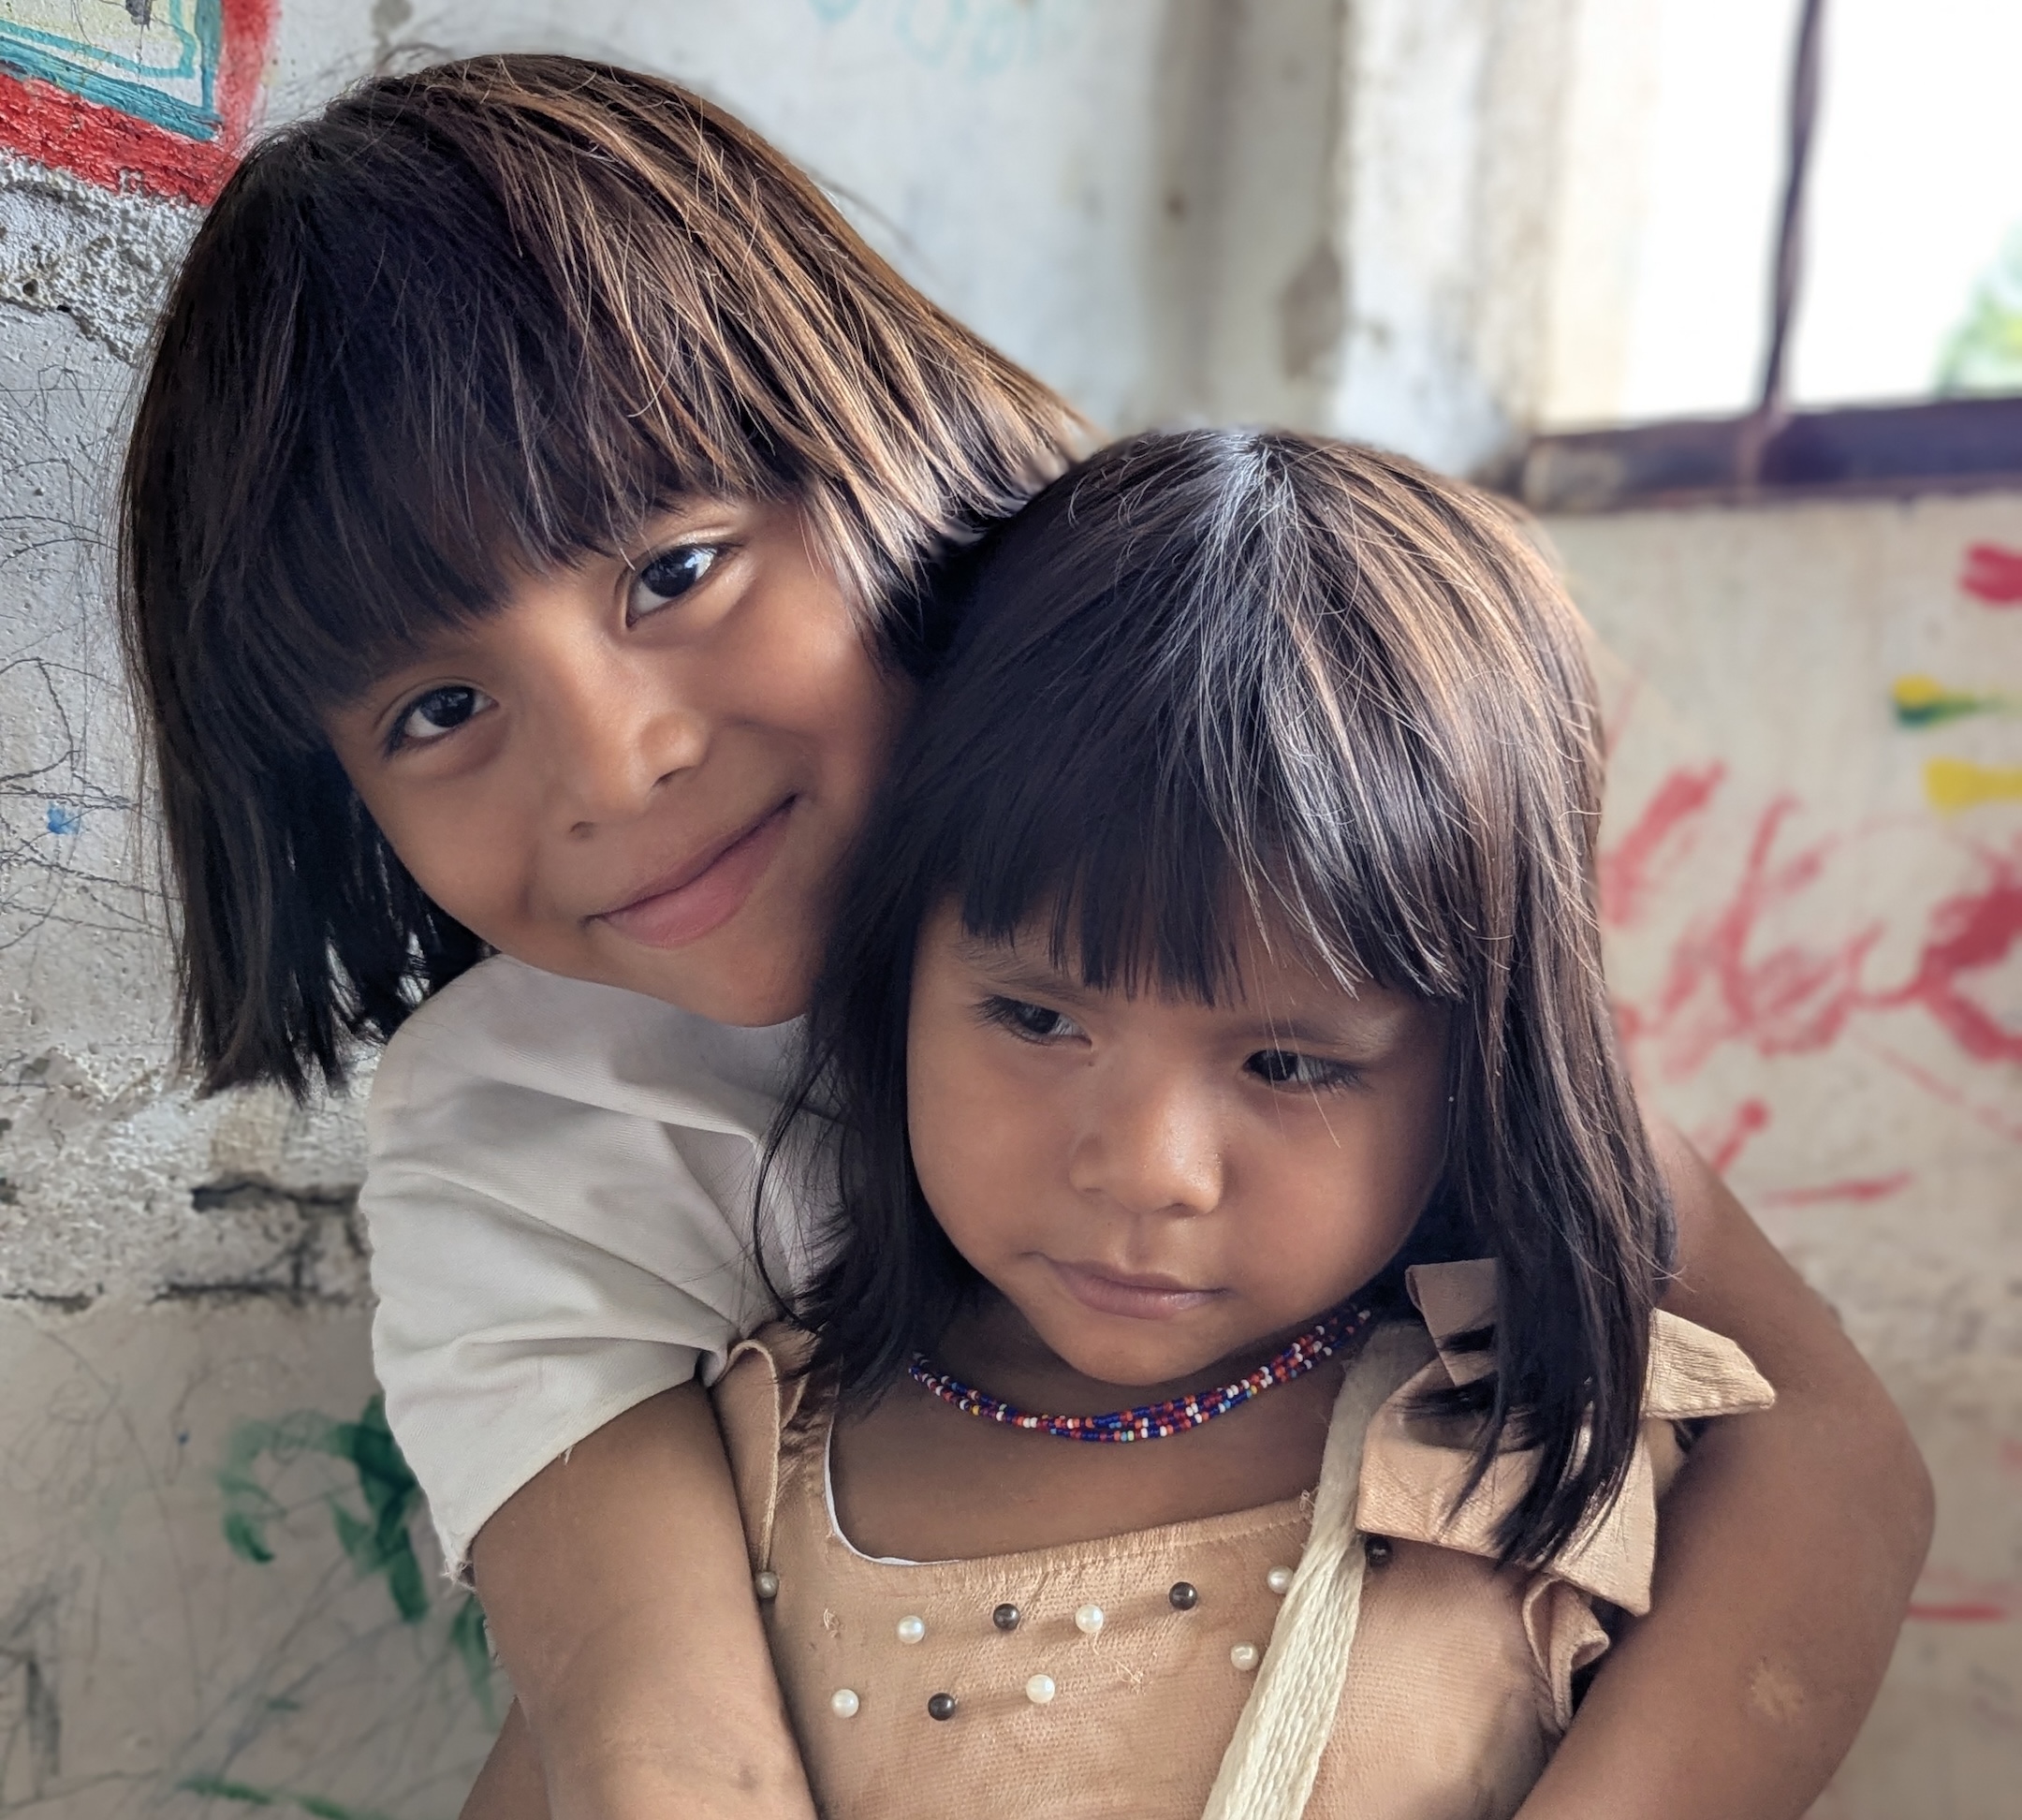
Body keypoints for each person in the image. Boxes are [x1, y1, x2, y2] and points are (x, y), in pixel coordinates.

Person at [116, 53, 1929, 1820]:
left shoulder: (1220, 786)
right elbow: (663, 1746)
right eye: (439, 708)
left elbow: (1824, 1457)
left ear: (872, 453)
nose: (617, 764)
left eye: (674, 572)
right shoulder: (526, 1135)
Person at [711, 425, 1780, 1819]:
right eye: (1037, 1020)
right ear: (891, 973)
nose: (1145, 1172)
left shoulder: (1551, 1459)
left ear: (1478, 1067)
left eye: (1287, 1063)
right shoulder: (750, 1461)